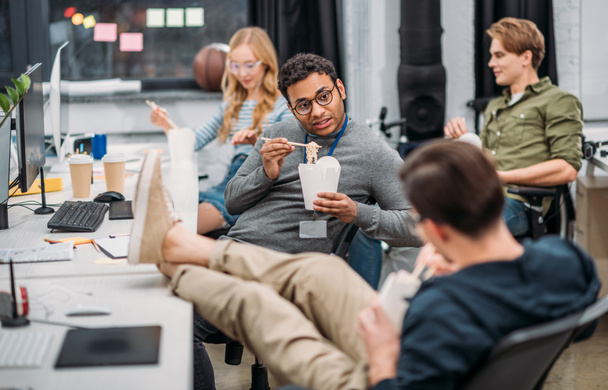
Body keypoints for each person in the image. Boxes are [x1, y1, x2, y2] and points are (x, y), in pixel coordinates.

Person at [127, 140, 600, 389]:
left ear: (433, 231)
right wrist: (470, 269)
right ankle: (189, 246)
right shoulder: (566, 261)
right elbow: (576, 325)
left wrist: (381, 354)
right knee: (323, 270)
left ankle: (173, 263)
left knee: (260, 306)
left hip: (380, 374)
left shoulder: (446, 307)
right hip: (419, 339)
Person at [223, 52, 421, 255]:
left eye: (324, 97)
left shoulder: (372, 151)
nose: (317, 112)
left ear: (341, 90)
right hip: (234, 246)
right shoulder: (277, 135)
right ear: (292, 109)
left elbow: (419, 226)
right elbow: (231, 202)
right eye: (303, 105)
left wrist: (356, 212)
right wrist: (265, 175)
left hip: (287, 266)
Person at [444, 17, 583, 237]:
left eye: (499, 55)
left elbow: (567, 168)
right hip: (481, 196)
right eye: (491, 56)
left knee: (458, 231)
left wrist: (502, 176)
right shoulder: (494, 105)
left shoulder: (558, 101)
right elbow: (485, 159)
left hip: (520, 204)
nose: (491, 63)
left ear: (525, 57)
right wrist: (463, 140)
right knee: (406, 218)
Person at [148, 26, 293, 236]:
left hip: (258, 186)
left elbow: (289, 157)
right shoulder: (232, 104)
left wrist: (256, 143)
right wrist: (165, 124)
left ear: (266, 63)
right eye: (235, 66)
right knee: (165, 213)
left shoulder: (282, 105)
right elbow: (193, 142)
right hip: (232, 183)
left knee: (177, 230)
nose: (242, 73)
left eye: (250, 65)